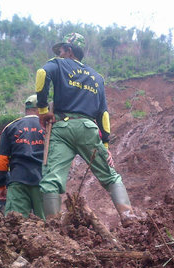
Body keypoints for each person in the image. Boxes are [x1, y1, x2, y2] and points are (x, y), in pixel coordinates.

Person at [35, 33, 136, 226]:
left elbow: (41, 74)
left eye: (62, 50)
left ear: (69, 50)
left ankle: (54, 226)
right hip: (88, 127)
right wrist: (105, 145)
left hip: (62, 127)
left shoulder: (58, 64)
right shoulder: (97, 77)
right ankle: (128, 216)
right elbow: (103, 115)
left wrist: (42, 110)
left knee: (51, 179)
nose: (60, 53)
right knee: (110, 175)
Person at [0, 95, 45, 219]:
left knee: (15, 223)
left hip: (18, 181)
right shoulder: (49, 127)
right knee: (48, 225)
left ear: (26, 109)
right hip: (44, 181)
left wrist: (1, 185)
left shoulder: (11, 127)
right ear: (41, 109)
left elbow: (2, 160)